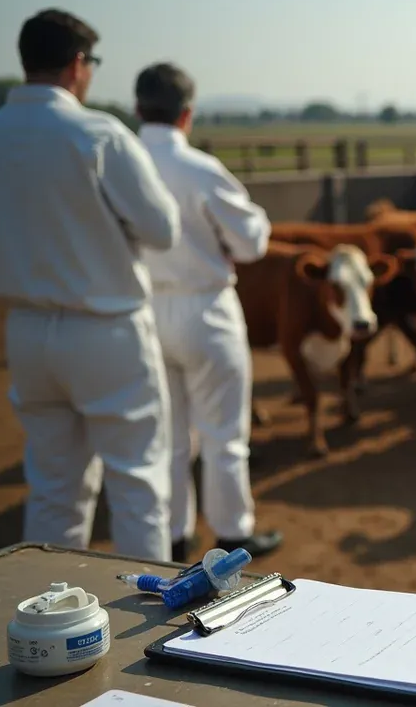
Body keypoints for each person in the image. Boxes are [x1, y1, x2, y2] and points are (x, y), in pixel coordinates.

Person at [0, 9, 181, 561]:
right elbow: (162, 229)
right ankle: (151, 632)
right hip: (105, 328)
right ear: (76, 64)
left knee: (53, 490)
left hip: (26, 331)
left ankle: (52, 622)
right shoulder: (98, 134)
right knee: (137, 485)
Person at [133, 62, 283, 561]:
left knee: (170, 436)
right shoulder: (199, 168)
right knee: (223, 431)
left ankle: (174, 536)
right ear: (187, 114)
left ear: (138, 108)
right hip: (205, 309)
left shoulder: (121, 161)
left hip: (145, 310)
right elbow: (252, 241)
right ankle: (232, 535)